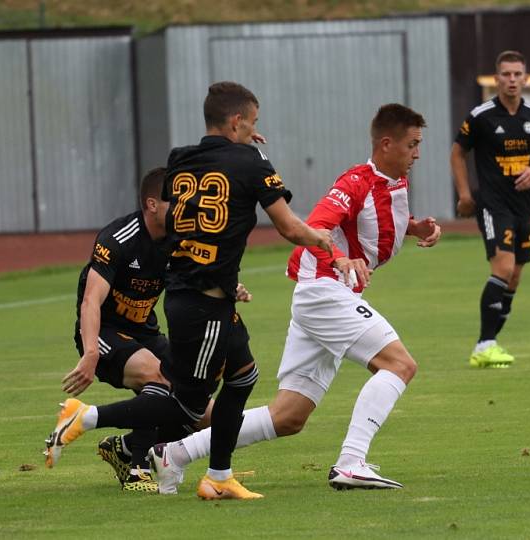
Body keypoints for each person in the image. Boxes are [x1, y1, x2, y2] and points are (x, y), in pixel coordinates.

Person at [43, 81, 334, 501]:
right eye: (252, 123)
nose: (256, 131)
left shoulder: (180, 161)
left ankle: (218, 475)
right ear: (237, 122)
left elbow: (191, 231)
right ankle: (86, 418)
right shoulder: (251, 160)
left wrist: (227, 279)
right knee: (187, 407)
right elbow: (289, 227)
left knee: (243, 376)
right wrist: (321, 239)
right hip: (202, 304)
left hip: (193, 296)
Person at [148, 103, 441, 494]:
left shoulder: (393, 182)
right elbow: (318, 225)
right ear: (387, 144)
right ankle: (351, 462)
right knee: (399, 365)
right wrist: (338, 256)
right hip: (324, 290)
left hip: (321, 294)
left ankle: (175, 454)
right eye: (413, 145)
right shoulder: (355, 182)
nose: (418, 153)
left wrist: (414, 227)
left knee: (289, 416)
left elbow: (376, 225)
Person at [62, 167, 171, 492]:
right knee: (157, 375)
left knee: (198, 407)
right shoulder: (118, 239)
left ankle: (123, 448)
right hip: (103, 333)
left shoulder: (180, 237)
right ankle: (137, 469)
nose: (183, 209)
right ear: (152, 204)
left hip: (145, 333)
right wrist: (91, 351)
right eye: (174, 201)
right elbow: (91, 302)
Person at [450, 50, 530, 368]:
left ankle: (489, 344)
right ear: (496, 79)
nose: (512, 80)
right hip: (493, 205)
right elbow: (457, 153)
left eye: (517, 74)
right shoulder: (481, 116)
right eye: (506, 74)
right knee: (504, 267)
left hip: (522, 207)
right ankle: (485, 344)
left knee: (515, 276)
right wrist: (466, 195)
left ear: (526, 78)